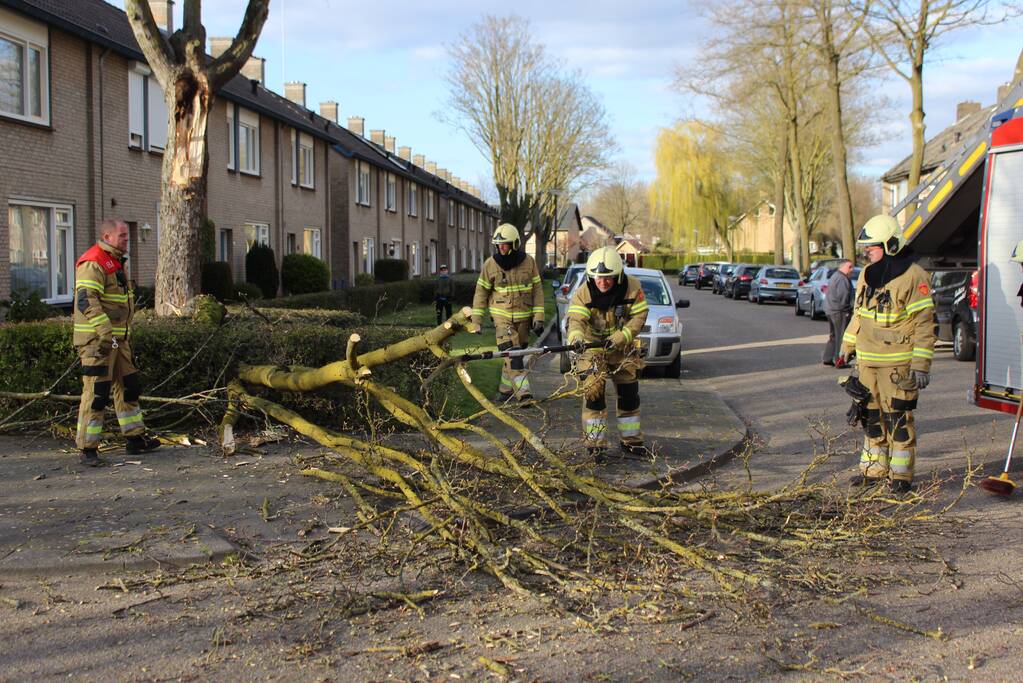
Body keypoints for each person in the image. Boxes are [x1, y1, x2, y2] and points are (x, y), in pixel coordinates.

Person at [838, 214, 935, 494]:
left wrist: (921, 365)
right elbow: (860, 314)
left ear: (891, 244)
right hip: (867, 361)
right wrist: (847, 347)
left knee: (898, 420)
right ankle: (873, 470)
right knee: (870, 418)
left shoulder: (915, 276)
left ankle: (901, 476)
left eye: (872, 247)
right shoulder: (868, 274)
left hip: (898, 364)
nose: (867, 252)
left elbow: (925, 324)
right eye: (865, 248)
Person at [73, 219, 160, 466]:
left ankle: (135, 439)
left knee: (129, 385)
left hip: (117, 340)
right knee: (96, 392)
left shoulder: (115, 262)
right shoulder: (94, 262)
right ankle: (87, 448)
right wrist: (104, 332)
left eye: (126, 236)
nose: (126, 239)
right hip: (99, 342)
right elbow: (86, 300)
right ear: (108, 236)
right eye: (122, 236)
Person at [566, 247, 649, 459]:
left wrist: (624, 336)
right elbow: (575, 320)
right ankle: (595, 445)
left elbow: (639, 317)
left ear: (618, 276)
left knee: (629, 396)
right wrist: (575, 338)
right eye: (598, 278)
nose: (602, 283)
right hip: (593, 349)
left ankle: (632, 442)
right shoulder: (583, 293)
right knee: (594, 395)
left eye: (608, 279)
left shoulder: (632, 288)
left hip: (623, 348)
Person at [470, 224, 545, 402]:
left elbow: (538, 290)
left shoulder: (529, 262)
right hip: (501, 318)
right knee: (514, 353)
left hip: (524, 319)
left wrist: (539, 317)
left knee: (514, 353)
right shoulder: (490, 264)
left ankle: (505, 389)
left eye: (505, 244)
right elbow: (481, 292)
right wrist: (476, 320)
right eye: (498, 245)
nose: (501, 248)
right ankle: (523, 392)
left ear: (515, 244)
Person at [823, 260, 854, 367]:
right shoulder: (842, 278)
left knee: (833, 335)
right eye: (849, 267)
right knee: (841, 336)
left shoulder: (835, 276)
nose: (852, 269)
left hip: (831, 310)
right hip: (839, 311)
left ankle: (827, 358)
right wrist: (848, 309)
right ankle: (839, 361)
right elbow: (843, 295)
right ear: (843, 267)